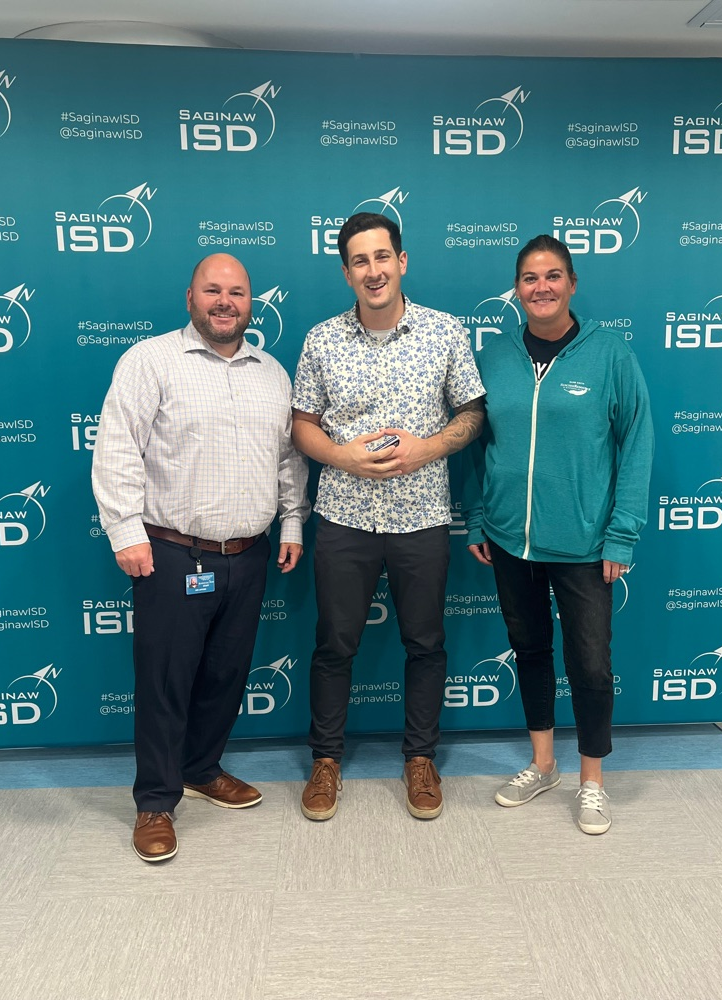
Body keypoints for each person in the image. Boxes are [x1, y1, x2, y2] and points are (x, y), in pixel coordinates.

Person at [92, 254, 309, 862]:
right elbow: (117, 447)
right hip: (170, 553)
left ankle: (201, 768)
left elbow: (287, 458)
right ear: (190, 297)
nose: (224, 302)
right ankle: (155, 801)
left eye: (236, 292)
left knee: (225, 676)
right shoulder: (150, 360)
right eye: (212, 290)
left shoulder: (272, 373)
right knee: (165, 682)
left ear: (250, 303)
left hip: (248, 554)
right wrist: (125, 532)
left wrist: (293, 520)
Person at [291, 212, 485, 822]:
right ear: (346, 272)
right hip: (344, 517)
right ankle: (326, 761)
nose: (372, 270)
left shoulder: (445, 332)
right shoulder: (322, 339)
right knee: (334, 644)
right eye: (359, 261)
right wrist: (341, 455)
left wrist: (428, 448)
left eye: (382, 257)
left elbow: (473, 413)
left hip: (422, 517)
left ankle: (420, 759)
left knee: (425, 644)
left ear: (401, 261)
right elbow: (301, 425)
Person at [464, 234, 653, 835]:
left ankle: (591, 781)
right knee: (530, 651)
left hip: (584, 544)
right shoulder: (494, 357)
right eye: (529, 278)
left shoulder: (609, 354)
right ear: (516, 289)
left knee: (591, 664)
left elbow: (637, 442)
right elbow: (476, 442)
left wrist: (621, 534)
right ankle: (543, 764)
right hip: (509, 540)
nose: (540, 287)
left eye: (552, 276)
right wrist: (478, 516)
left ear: (572, 284)